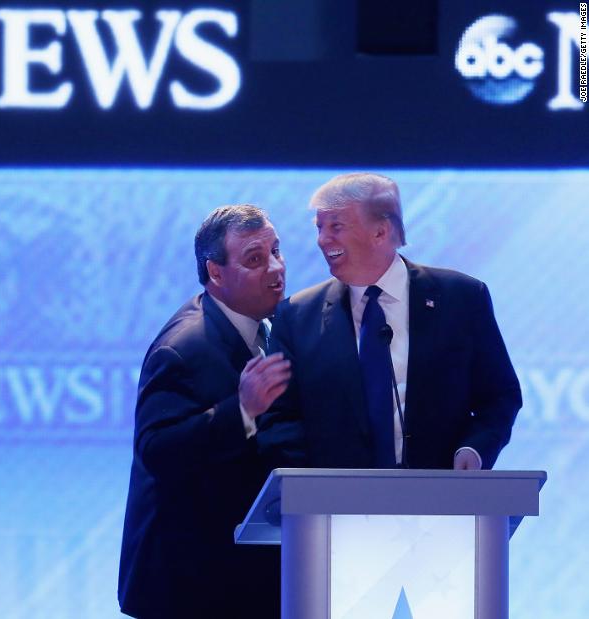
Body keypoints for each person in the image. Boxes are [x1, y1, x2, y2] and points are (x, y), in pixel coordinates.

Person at [257, 173, 521, 471]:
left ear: (380, 232)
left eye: (336, 227)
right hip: (335, 507)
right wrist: (315, 481)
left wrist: (475, 449)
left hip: (440, 502)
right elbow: (278, 420)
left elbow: (500, 396)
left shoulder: (461, 298)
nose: (322, 240)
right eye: (320, 228)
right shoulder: (296, 316)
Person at [119, 205, 290, 618]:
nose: (275, 268)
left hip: (241, 574)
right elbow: (157, 451)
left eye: (277, 251)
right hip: (185, 587)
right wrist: (243, 410)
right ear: (216, 273)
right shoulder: (183, 348)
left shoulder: (272, 325)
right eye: (255, 259)